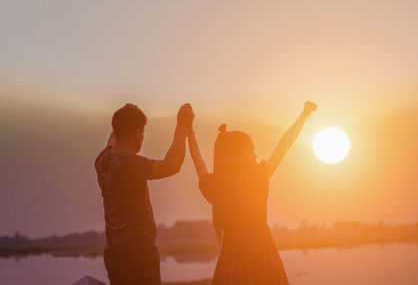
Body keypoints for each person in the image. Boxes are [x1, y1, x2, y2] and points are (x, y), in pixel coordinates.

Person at [187, 101, 317, 285]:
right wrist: (189, 132)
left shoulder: (220, 186)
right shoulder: (255, 177)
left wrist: (303, 116)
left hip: (236, 256)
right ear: (235, 157)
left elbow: (284, 144)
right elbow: (198, 161)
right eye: (251, 150)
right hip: (261, 255)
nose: (256, 155)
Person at [94, 103, 194, 285]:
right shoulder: (129, 165)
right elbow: (172, 165)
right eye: (142, 132)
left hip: (113, 255)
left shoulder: (102, 160)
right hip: (138, 256)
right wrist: (182, 125)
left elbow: (113, 137)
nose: (142, 138)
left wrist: (126, 114)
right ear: (136, 132)